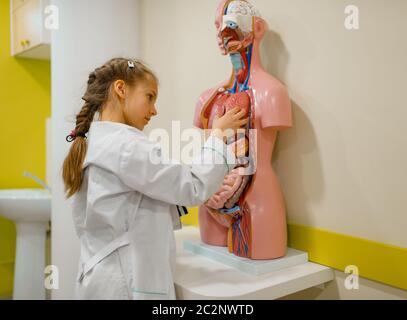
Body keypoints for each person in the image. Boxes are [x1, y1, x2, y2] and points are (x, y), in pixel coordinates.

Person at [62, 57, 248, 300]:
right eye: (149, 97)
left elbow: (146, 194)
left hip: (102, 275)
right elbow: (191, 186)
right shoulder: (126, 146)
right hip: (126, 280)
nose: (154, 110)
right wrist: (217, 137)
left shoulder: (97, 142)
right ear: (121, 89)